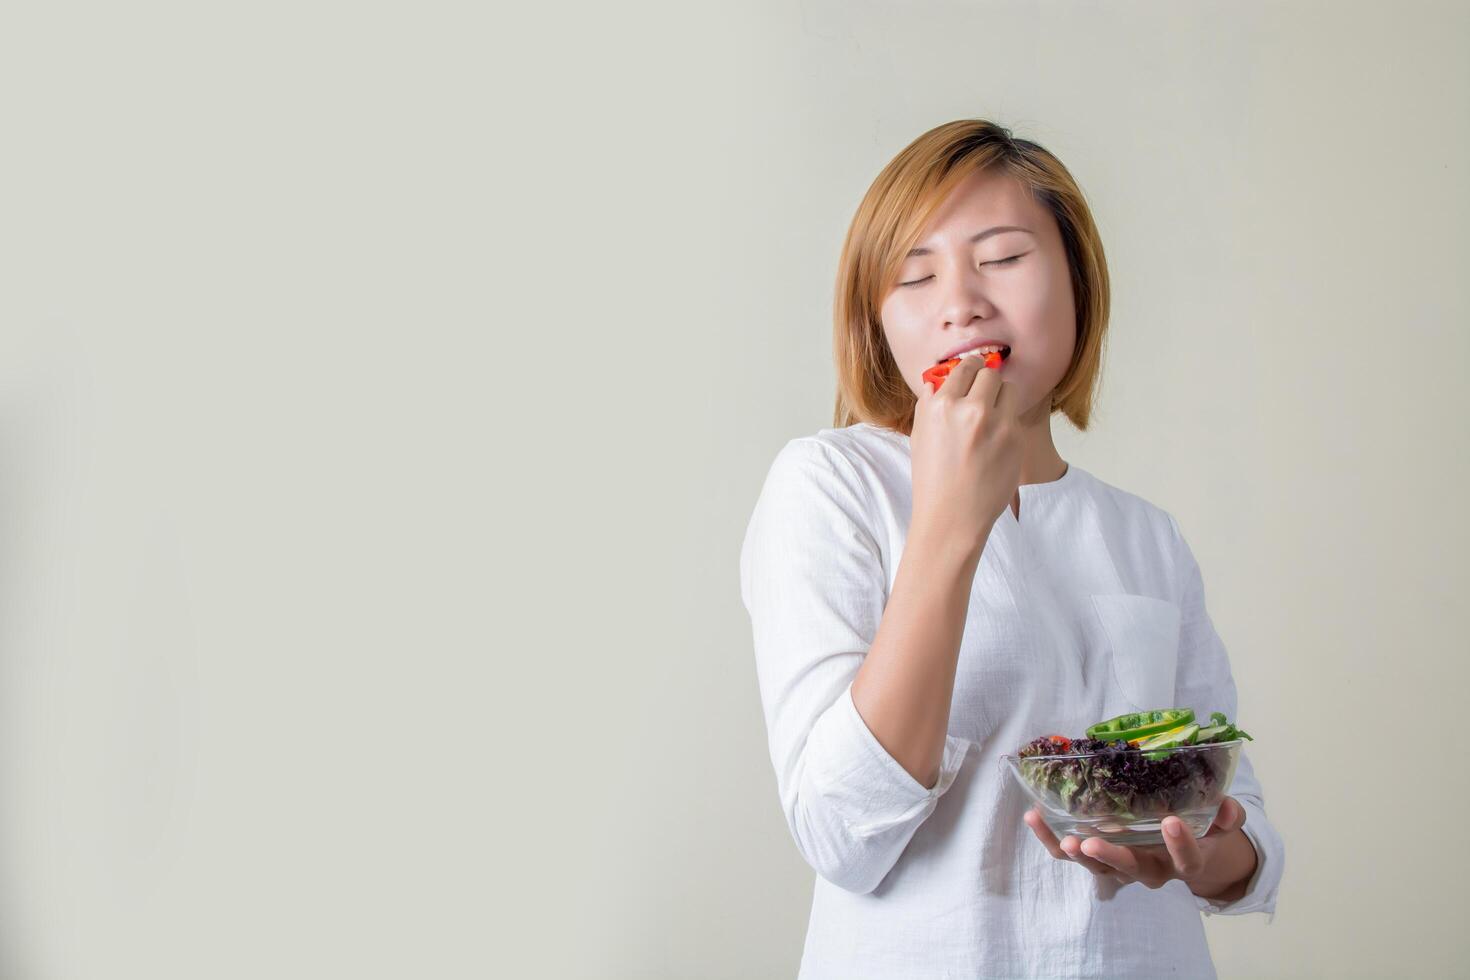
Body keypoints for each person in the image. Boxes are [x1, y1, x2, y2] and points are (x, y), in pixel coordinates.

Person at [738, 119, 1283, 979]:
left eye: (1001, 258)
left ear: (1078, 283)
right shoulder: (831, 484)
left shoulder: (1146, 535)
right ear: (878, 324)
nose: (960, 302)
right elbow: (839, 834)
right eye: (914, 276)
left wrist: (1196, 854)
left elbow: (1238, 824)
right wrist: (952, 523)